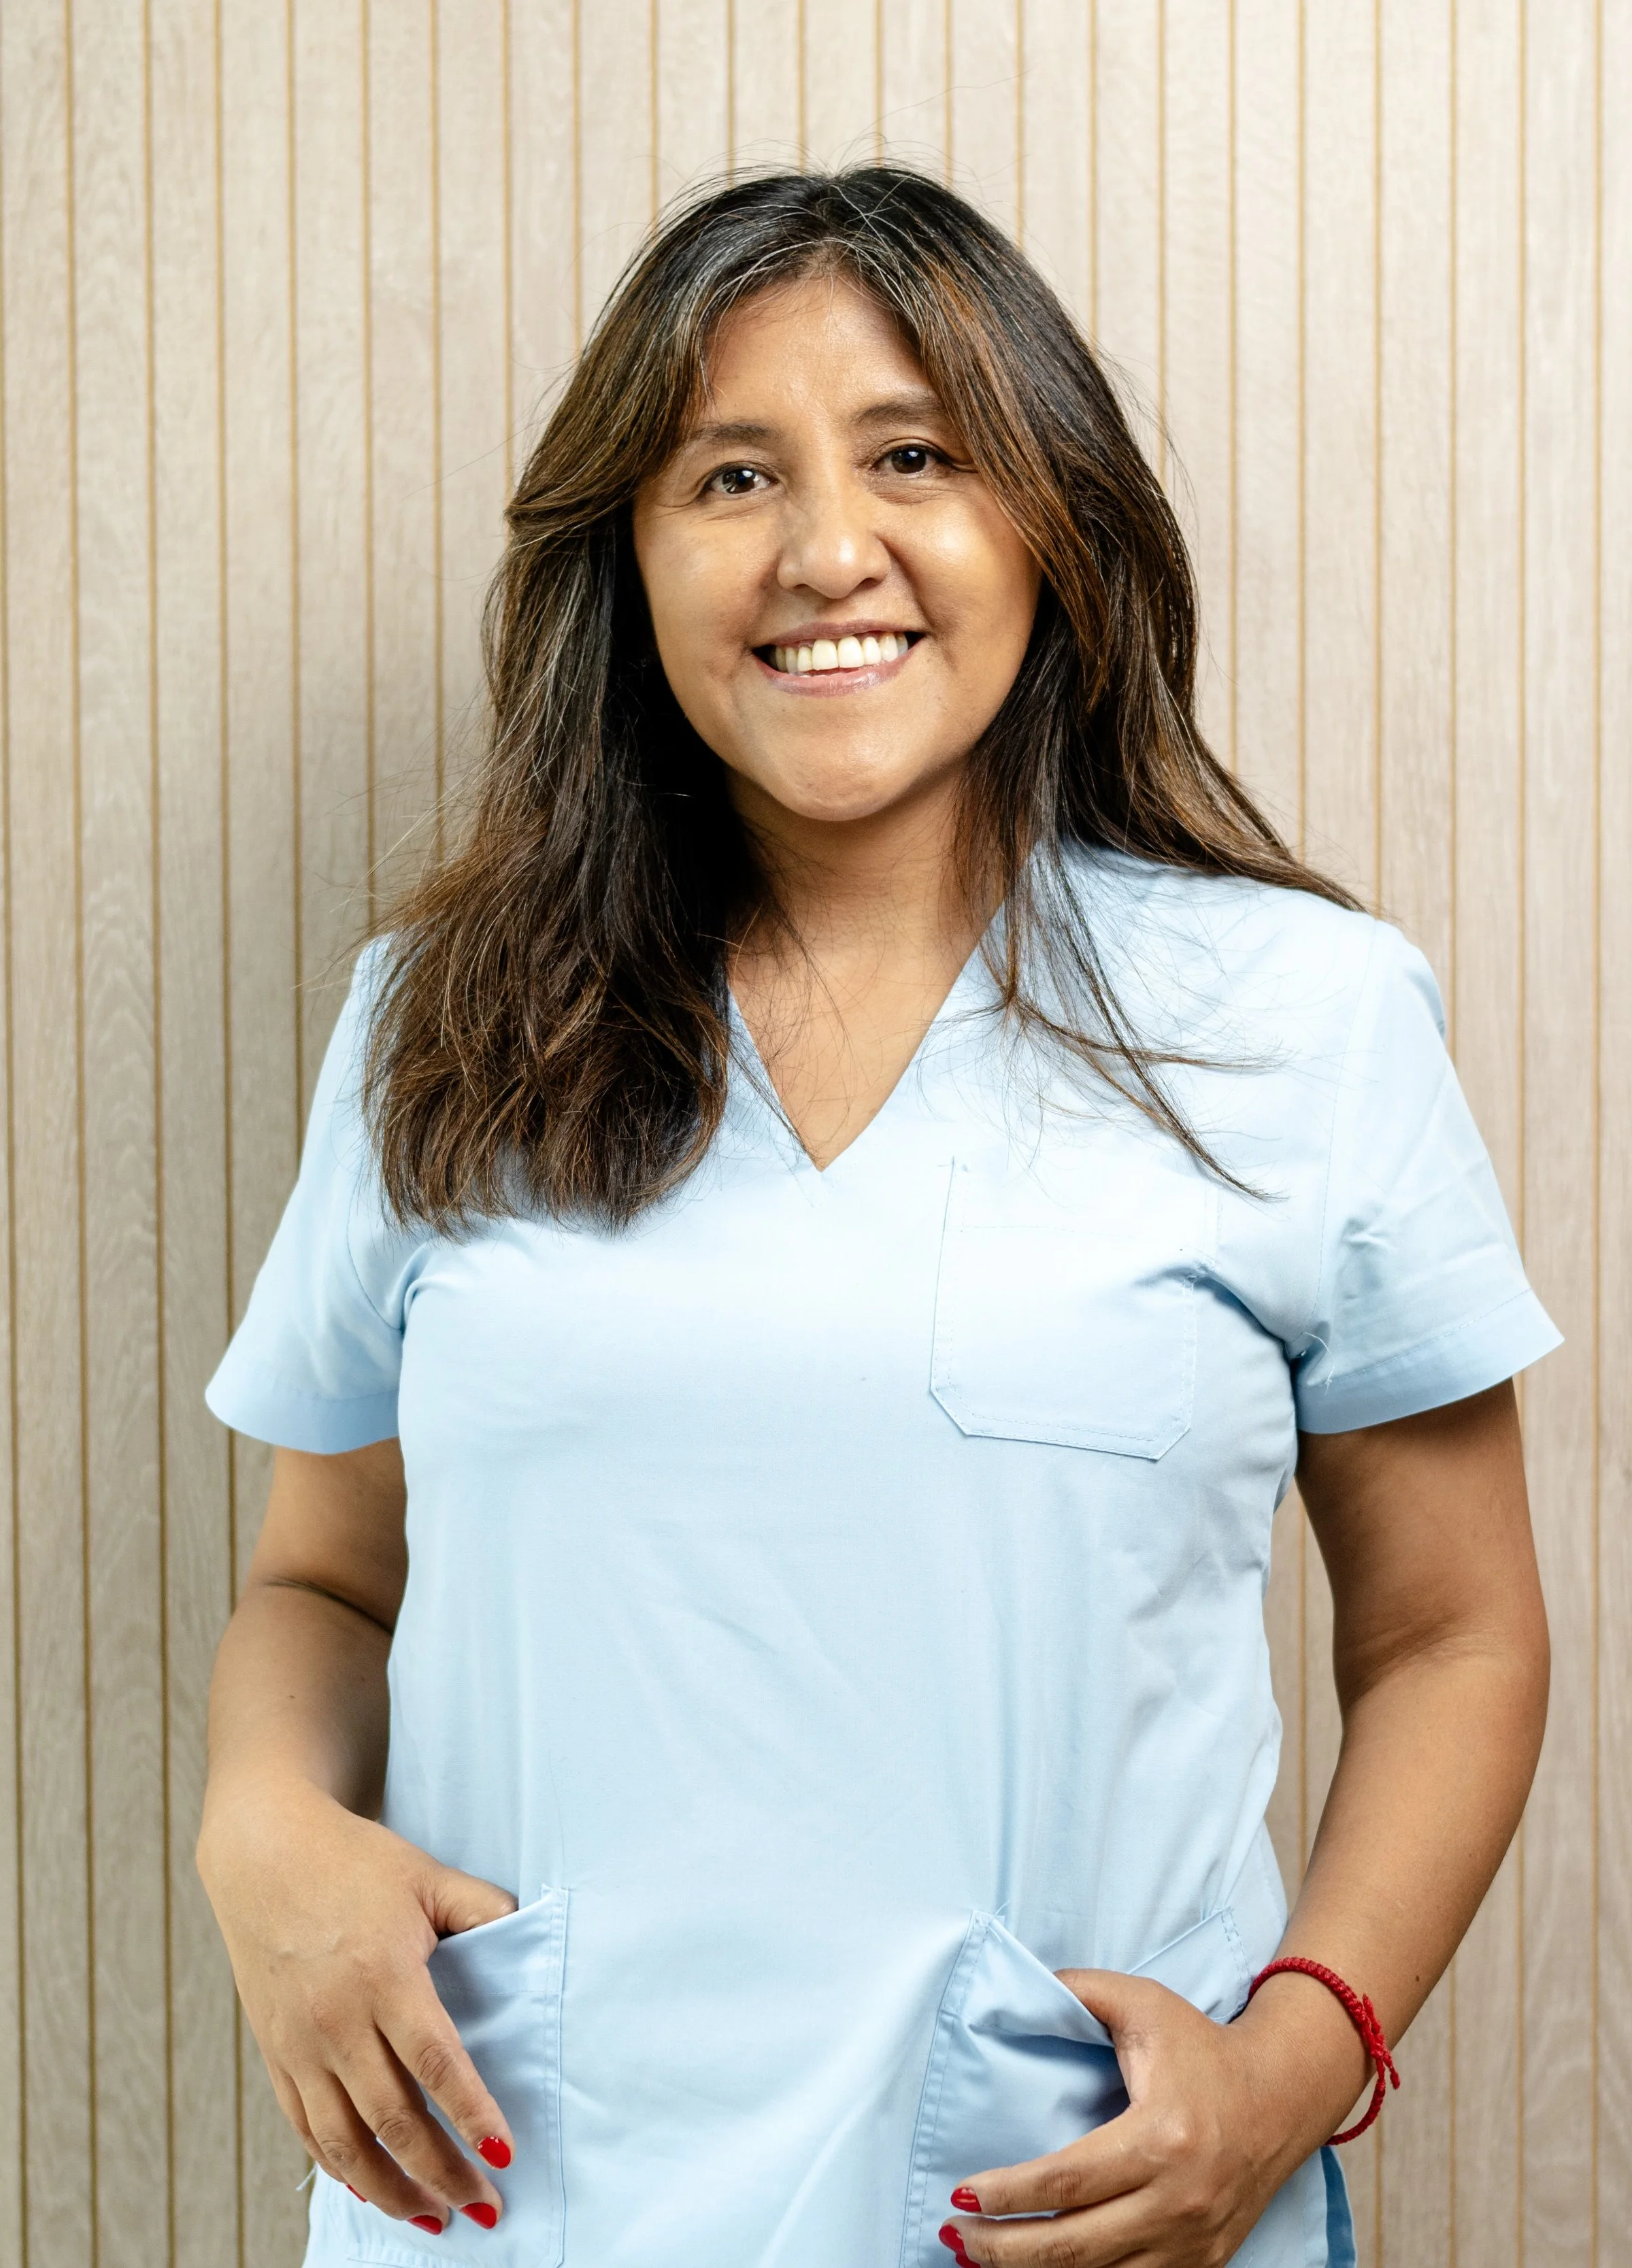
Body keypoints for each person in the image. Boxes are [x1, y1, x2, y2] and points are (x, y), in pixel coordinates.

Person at [197, 168, 1556, 2268]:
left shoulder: (1301, 1022)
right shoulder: (440, 1024)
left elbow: (1450, 1629)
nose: (828, 549)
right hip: (523, 2194)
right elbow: (320, 1580)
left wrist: (1290, 2065)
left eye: (912, 454)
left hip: (1065, 2205)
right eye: (730, 473)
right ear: (627, 565)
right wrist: (263, 1831)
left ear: (1046, 515)